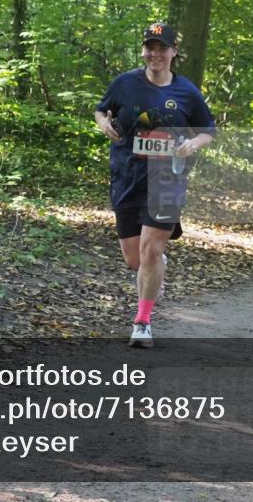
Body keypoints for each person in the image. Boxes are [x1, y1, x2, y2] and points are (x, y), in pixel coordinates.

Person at [94, 23, 215, 348]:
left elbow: (207, 130)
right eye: (150, 46)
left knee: (151, 249)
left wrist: (193, 144)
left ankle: (143, 321)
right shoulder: (124, 83)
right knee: (135, 260)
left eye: (162, 47)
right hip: (127, 176)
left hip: (167, 180)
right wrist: (105, 124)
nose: (155, 53)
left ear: (174, 52)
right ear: (144, 50)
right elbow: (101, 110)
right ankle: (156, 267)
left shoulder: (186, 92)